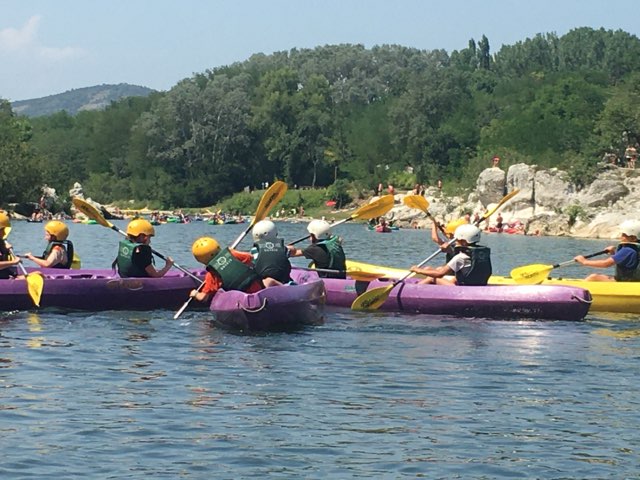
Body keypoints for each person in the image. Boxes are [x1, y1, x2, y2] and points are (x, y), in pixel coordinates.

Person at [189, 236, 265, 303]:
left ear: (200, 259)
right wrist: (232, 252)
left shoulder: (211, 274)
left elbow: (204, 297)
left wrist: (195, 294)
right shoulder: (232, 254)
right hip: (260, 290)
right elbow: (250, 257)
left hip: (242, 299)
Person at [410, 224, 492, 286]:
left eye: (457, 239)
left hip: (463, 289)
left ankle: (413, 290)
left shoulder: (461, 257)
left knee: (432, 277)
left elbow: (440, 274)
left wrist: (417, 270)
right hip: (478, 284)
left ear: (464, 241)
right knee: (434, 271)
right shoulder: (481, 253)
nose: (455, 241)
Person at [574, 220, 640, 282]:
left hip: (625, 282)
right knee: (597, 277)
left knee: (593, 277)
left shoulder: (627, 250)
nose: (621, 237)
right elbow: (625, 261)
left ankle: (578, 293)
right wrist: (613, 253)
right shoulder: (634, 249)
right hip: (631, 280)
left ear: (634, 238)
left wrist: (584, 261)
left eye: (624, 235)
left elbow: (605, 264)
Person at [250, 220, 292, 285]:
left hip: (262, 280)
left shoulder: (254, 250)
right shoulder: (284, 249)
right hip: (282, 279)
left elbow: (252, 263)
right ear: (275, 234)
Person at [0, 212, 19, 279]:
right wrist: (14, 262)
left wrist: (6, 250)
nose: (5, 232)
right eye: (2, 230)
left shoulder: (2, 242)